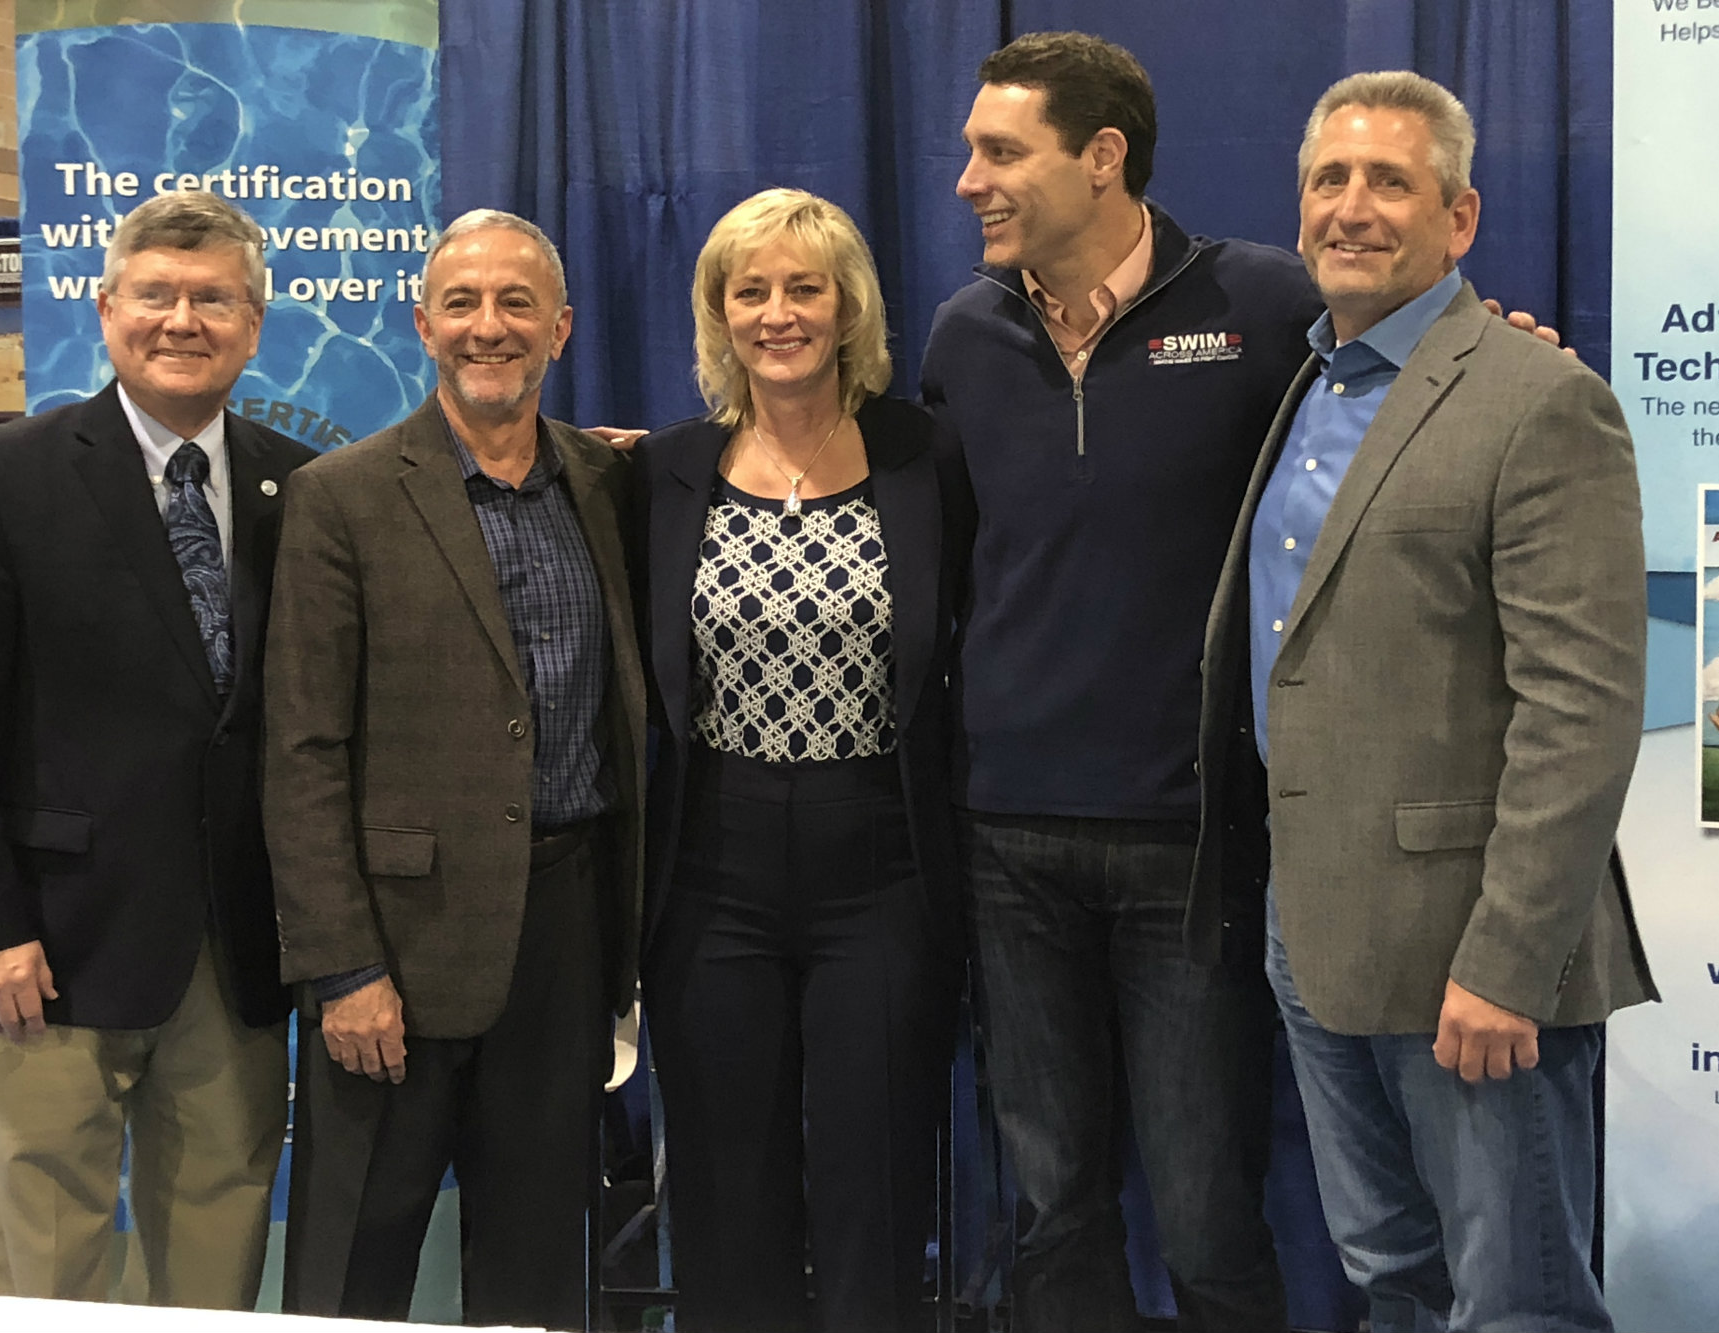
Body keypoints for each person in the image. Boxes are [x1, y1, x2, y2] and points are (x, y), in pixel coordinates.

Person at [1194, 71, 1655, 1330]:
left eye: (1387, 181)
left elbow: (1581, 710)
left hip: (1471, 965)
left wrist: (1506, 965)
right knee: (1389, 1279)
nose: (1350, 207)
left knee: (1517, 1301)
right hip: (1317, 936)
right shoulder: (1308, 385)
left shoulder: (1538, 399)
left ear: (1458, 218)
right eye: (1328, 181)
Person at [917, 32, 1319, 1332]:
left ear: (1102, 157)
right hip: (1007, 842)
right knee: (1053, 1205)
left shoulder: (1261, 306)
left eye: (999, 151)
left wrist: (1512, 347)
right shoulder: (963, 336)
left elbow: (1400, 415)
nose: (968, 179)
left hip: (1190, 848)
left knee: (1207, 1208)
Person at [0, 190, 313, 1307]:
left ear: (254, 324)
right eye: (157, 293)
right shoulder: (4, 476)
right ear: (107, 306)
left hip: (233, 952)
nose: (183, 318)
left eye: (213, 297)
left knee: (217, 1255)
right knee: (46, 1271)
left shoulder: (297, 488)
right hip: (51, 950)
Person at [262, 208, 646, 1330]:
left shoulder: (608, 483)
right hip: (395, 949)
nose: (490, 327)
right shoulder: (343, 497)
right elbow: (302, 748)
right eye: (464, 304)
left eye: (517, 303)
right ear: (422, 322)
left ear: (561, 328)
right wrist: (341, 969)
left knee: (534, 1262)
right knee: (352, 1266)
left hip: (566, 932)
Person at [633, 188, 968, 1333]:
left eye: (803, 286)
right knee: (728, 1189)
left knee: (875, 1183)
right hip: (711, 871)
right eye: (751, 289)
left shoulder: (924, 458)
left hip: (878, 864)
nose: (778, 312)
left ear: (848, 305)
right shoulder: (666, 472)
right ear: (718, 313)